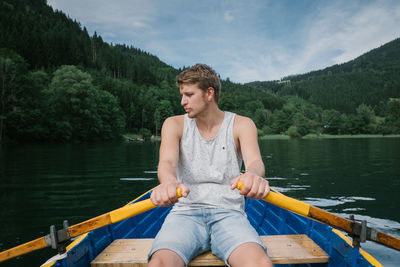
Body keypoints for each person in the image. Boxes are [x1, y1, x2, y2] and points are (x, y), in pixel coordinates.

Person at [148, 64, 273, 267]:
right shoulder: (173, 124)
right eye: (182, 95)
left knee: (260, 264)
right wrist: (169, 182)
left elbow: (255, 163)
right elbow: (167, 162)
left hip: (229, 214)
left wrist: (252, 175)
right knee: (159, 264)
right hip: (185, 213)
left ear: (209, 93)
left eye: (188, 94)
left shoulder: (242, 124)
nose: (182, 101)